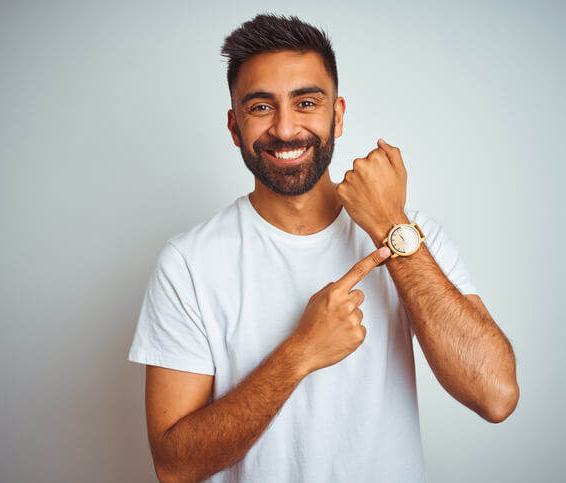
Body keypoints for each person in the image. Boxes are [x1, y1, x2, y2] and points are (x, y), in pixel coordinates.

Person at [128, 13, 519, 483]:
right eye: (260, 107)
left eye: (306, 102)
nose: (286, 128)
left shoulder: (411, 239)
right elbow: (174, 467)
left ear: (337, 116)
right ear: (234, 128)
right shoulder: (188, 264)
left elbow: (495, 396)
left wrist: (391, 227)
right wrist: (300, 353)